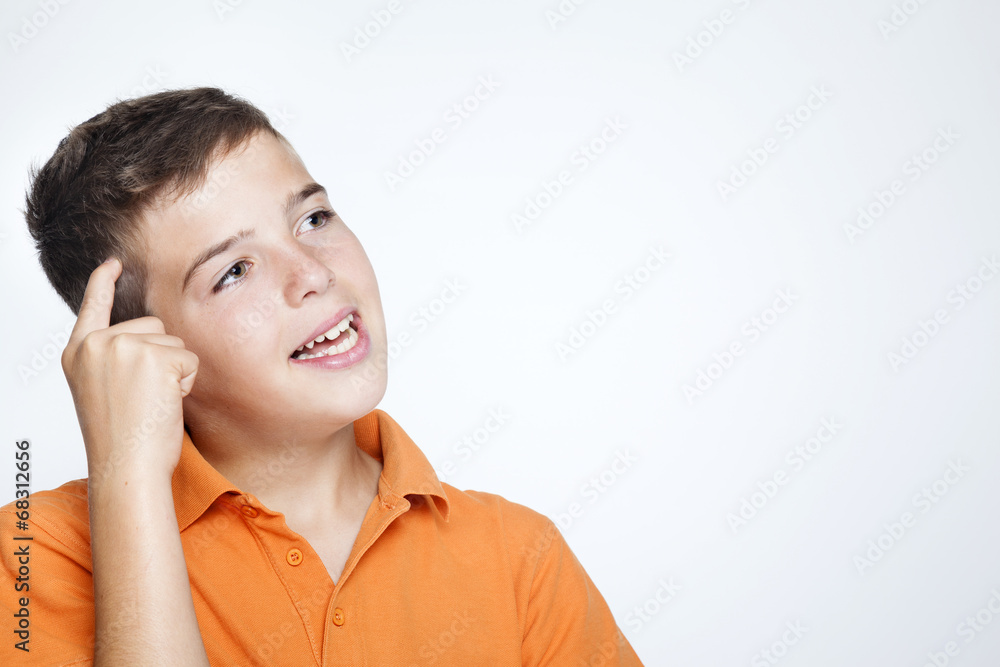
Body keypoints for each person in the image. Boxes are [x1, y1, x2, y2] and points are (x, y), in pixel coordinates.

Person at [0, 87, 644, 665]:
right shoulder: (36, 556)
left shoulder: (517, 559)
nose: (313, 273)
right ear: (135, 348)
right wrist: (129, 477)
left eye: (313, 219)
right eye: (233, 271)